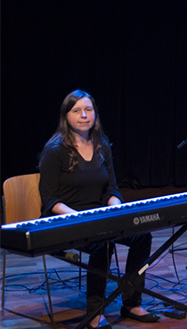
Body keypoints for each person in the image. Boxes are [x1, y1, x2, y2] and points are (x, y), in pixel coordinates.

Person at [39, 90, 159, 329]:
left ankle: (132, 302)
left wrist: (115, 208)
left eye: (89, 110)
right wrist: (82, 216)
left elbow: (111, 189)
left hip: (99, 217)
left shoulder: (102, 146)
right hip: (66, 219)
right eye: (77, 111)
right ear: (66, 115)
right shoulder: (55, 150)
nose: (84, 115)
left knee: (142, 236)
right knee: (103, 243)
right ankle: (95, 313)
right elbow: (50, 200)